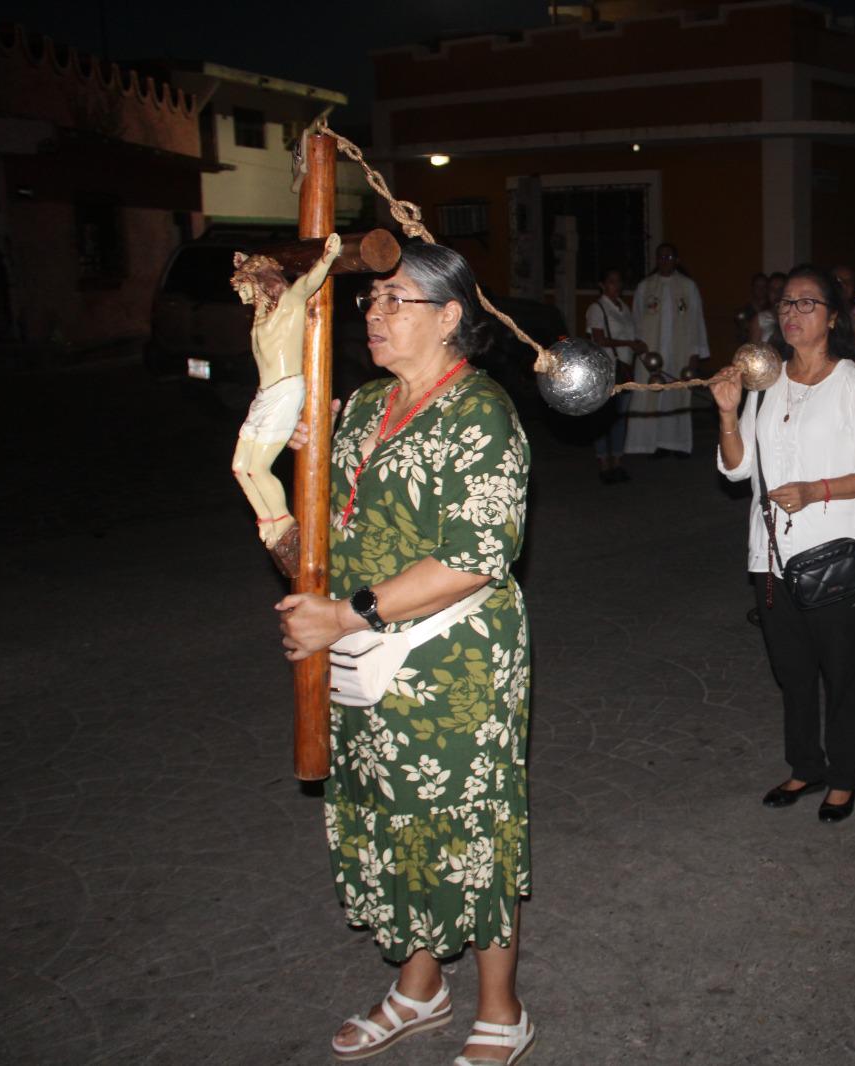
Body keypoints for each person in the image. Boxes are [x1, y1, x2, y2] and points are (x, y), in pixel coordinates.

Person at [277, 243, 535, 1065]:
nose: (377, 316)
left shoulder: (480, 414)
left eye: (398, 301)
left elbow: (476, 554)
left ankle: (502, 1007)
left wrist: (343, 616)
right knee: (397, 815)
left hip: (453, 660)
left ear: (451, 316)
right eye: (373, 303)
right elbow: (335, 525)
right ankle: (420, 988)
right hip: (363, 653)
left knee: (467, 822)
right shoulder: (365, 406)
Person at [709, 264, 855, 823]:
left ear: (833, 317)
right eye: (786, 304)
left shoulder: (854, 385)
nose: (792, 314)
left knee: (841, 673)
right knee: (792, 672)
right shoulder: (767, 382)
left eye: (807, 304)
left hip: (834, 556)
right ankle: (805, 765)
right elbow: (737, 467)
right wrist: (727, 413)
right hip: (770, 554)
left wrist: (817, 490)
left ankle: (843, 775)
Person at [229, 232, 342, 561]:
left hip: (285, 391)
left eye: (243, 288)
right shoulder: (259, 317)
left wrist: (327, 257)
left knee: (259, 468)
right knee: (240, 467)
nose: (241, 297)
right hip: (264, 395)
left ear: (259, 281)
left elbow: (308, 283)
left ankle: (282, 520)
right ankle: (266, 518)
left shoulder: (289, 305)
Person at [628, 242, 709, 457]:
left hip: (678, 352)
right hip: (651, 352)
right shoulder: (645, 287)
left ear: (677, 260)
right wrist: (639, 347)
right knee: (649, 396)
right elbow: (636, 319)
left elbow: (695, 321)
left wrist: (695, 353)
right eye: (661, 257)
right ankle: (649, 444)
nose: (664, 261)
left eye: (669, 257)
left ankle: (675, 443)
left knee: (676, 397)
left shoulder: (688, 287)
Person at [587, 266, 645, 484]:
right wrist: (629, 343)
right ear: (602, 284)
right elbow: (599, 339)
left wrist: (636, 345)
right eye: (611, 281)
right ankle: (603, 463)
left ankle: (618, 462)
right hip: (605, 369)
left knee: (620, 418)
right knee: (603, 418)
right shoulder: (597, 308)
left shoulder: (623, 308)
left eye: (619, 281)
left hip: (624, 368)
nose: (617, 286)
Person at [736, 272, 769, 345]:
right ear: (752, 288)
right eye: (758, 286)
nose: (761, 289)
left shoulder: (773, 311)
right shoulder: (743, 312)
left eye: (764, 286)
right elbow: (740, 336)